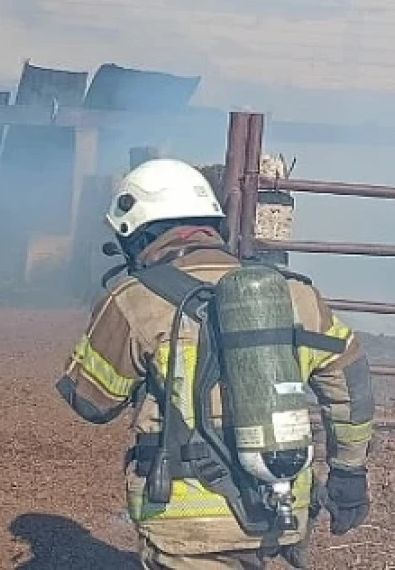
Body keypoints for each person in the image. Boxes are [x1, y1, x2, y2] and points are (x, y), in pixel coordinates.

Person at [55, 158, 374, 569]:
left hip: (187, 519)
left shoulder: (134, 299)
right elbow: (351, 381)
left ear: (137, 235)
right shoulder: (295, 296)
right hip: (281, 508)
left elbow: (92, 401)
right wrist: (349, 473)